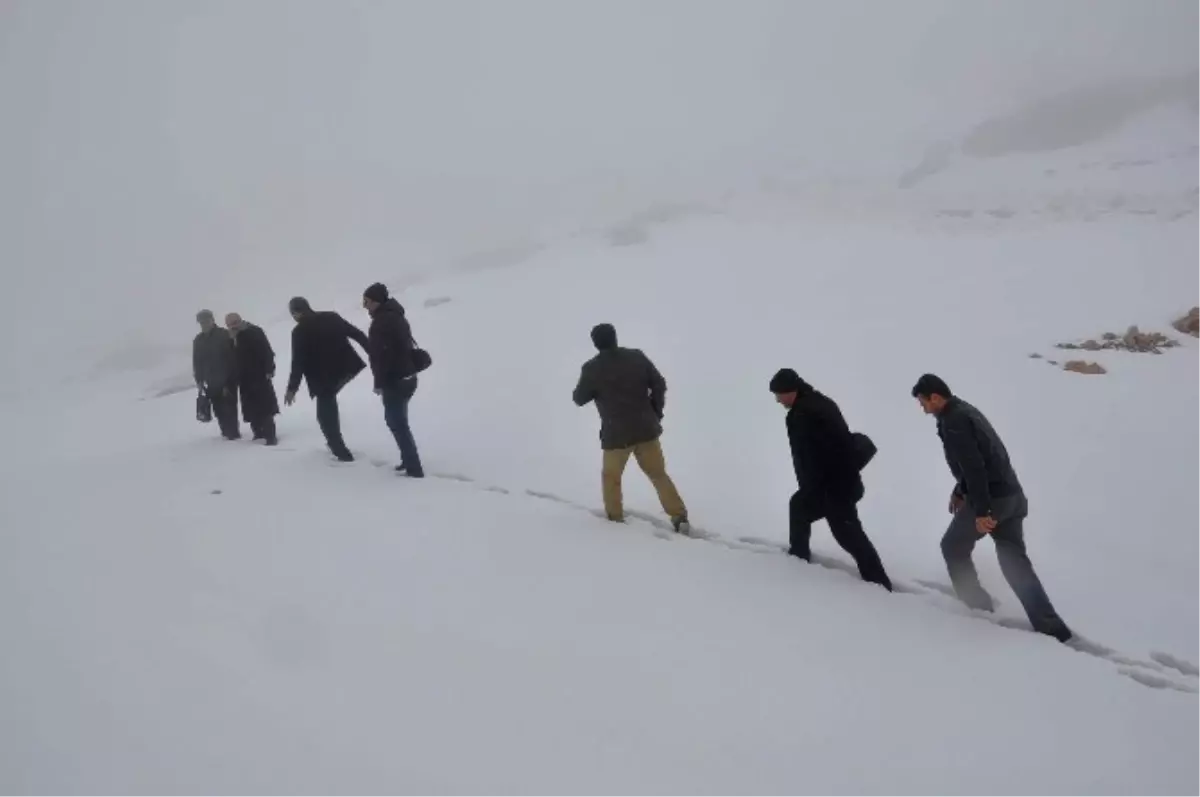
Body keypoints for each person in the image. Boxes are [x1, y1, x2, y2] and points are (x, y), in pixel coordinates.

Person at [912, 373, 1073, 642]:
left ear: (936, 398)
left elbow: (975, 467)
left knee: (952, 547)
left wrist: (983, 511)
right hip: (1011, 496)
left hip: (991, 499)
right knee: (1015, 563)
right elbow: (985, 457)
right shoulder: (964, 411)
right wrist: (960, 490)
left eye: (923, 402)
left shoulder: (954, 422)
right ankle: (1052, 629)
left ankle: (977, 608)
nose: (922, 408)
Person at [770, 368, 892, 590]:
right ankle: (798, 559)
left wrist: (817, 485)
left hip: (835, 487)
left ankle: (880, 585)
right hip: (832, 484)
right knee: (799, 508)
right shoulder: (818, 403)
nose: (777, 400)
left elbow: (816, 454)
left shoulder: (804, 414)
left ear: (790, 391)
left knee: (849, 535)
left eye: (778, 394)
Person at [573, 324, 689, 533]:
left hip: (616, 435)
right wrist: (656, 410)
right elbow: (659, 384)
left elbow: (579, 399)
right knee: (658, 474)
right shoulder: (636, 357)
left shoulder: (591, 368)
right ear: (615, 338)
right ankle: (679, 517)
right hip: (646, 429)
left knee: (611, 477)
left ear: (595, 344)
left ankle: (615, 520)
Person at [283, 297, 370, 462]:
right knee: (328, 407)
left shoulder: (299, 332)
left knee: (325, 415)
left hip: (323, 378)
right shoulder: (331, 317)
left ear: (295, 313)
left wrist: (292, 388)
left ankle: (341, 452)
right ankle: (335, 445)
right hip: (346, 370)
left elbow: (298, 362)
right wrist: (372, 352)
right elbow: (357, 334)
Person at [362, 282, 424, 478]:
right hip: (408, 377)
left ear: (377, 301)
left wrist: (379, 383)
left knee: (397, 423)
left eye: (367, 301)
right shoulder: (396, 315)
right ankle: (408, 460)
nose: (365, 306)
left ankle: (414, 468)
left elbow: (381, 357)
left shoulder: (382, 322)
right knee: (398, 421)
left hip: (395, 380)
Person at [226, 313, 279, 446]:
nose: (233, 326)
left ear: (240, 320)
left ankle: (270, 436)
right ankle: (257, 432)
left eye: (235, 322)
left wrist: (269, 369)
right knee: (250, 407)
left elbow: (267, 351)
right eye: (230, 324)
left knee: (265, 406)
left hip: (259, 375)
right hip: (244, 378)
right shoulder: (231, 337)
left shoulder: (254, 331)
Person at [193, 309, 240, 440]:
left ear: (212, 320)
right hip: (211, 381)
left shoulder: (224, 334)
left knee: (229, 409)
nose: (204, 324)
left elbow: (232, 358)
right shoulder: (198, 340)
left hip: (228, 380)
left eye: (206, 321)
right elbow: (197, 362)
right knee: (218, 409)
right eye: (201, 322)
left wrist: (229, 381)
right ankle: (225, 433)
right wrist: (199, 380)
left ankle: (233, 435)